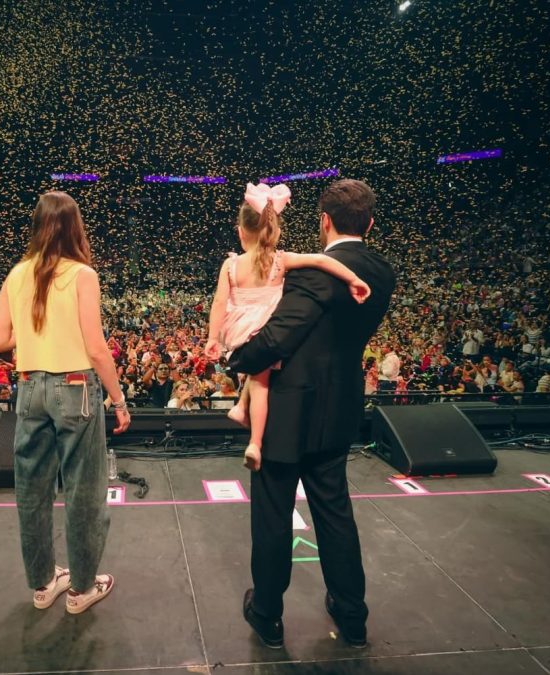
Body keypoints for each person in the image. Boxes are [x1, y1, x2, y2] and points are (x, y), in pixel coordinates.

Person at [229, 178, 395, 649]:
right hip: (339, 408)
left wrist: (234, 357)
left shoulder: (318, 271)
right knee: (334, 512)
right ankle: (352, 616)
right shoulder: (381, 271)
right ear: (370, 222)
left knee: (273, 516)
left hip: (285, 413)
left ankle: (267, 616)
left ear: (323, 221)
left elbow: (279, 337)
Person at [0, 190, 131, 616]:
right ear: (75, 228)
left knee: (31, 492)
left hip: (29, 388)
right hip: (75, 388)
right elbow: (96, 348)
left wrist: (36, 332)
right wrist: (119, 399)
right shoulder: (82, 274)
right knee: (83, 492)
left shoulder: (16, 274)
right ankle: (81, 590)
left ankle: (44, 583)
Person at [204, 183, 371, 471]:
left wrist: (212, 338)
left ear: (242, 232)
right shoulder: (280, 261)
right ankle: (255, 442)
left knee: (256, 378)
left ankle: (243, 412)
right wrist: (353, 279)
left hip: (240, 330)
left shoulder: (230, 266)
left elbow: (219, 303)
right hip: (267, 329)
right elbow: (321, 260)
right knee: (261, 383)